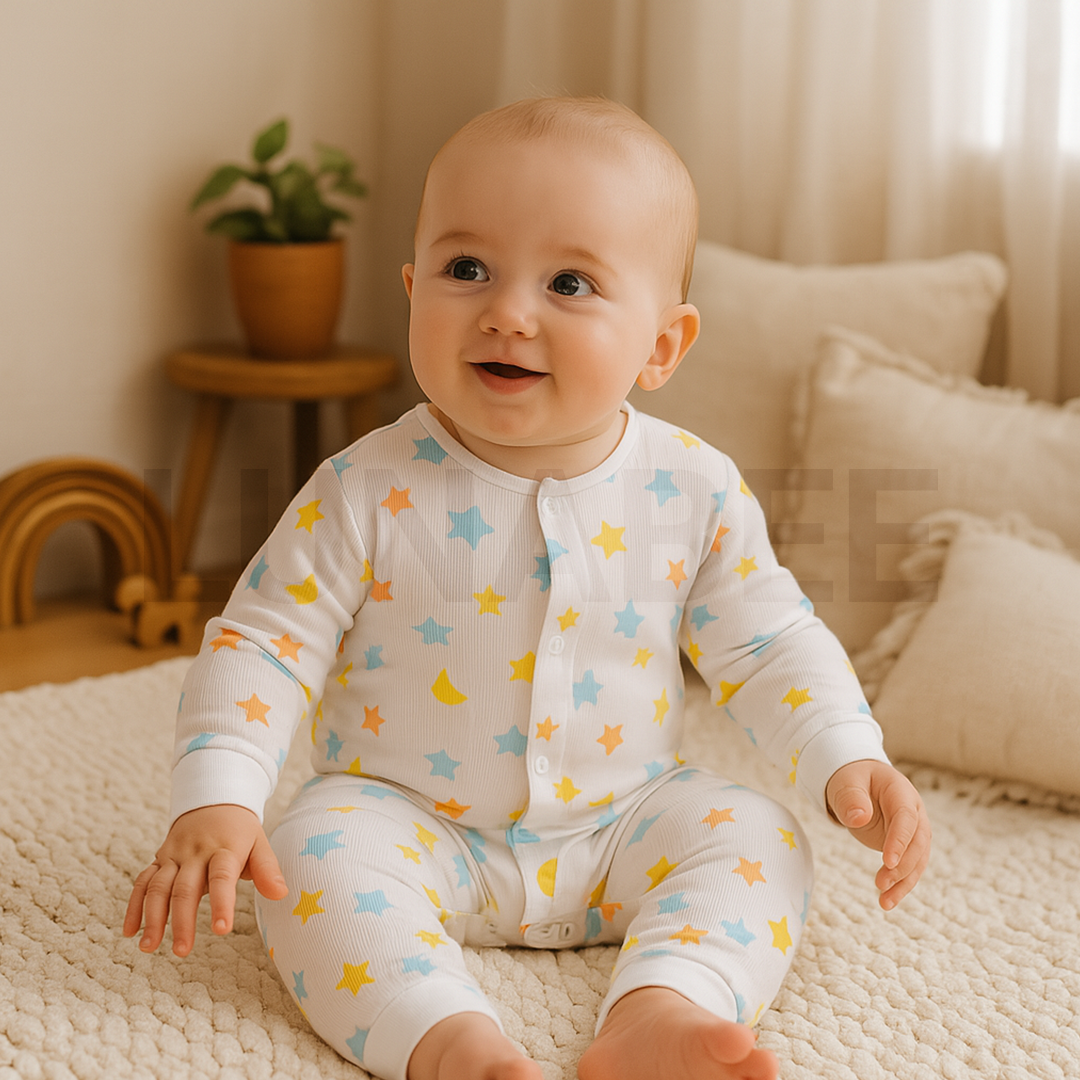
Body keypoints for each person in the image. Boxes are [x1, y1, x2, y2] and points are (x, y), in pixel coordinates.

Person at [124, 97, 931, 1080]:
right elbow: (263, 642)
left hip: (622, 822)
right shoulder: (365, 489)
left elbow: (766, 642)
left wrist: (847, 754)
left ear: (662, 346)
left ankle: (663, 1009)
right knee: (305, 861)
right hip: (407, 821)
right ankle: (448, 1040)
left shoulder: (693, 488)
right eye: (468, 270)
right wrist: (218, 797)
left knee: (762, 839)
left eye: (570, 282)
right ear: (413, 287)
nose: (508, 310)